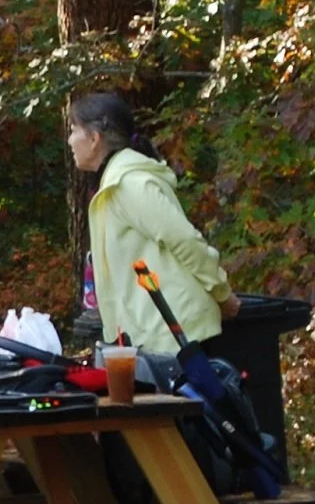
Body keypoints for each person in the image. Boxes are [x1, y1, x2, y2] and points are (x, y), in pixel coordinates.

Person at [68, 91, 239, 354]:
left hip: (180, 337)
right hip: (157, 338)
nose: (69, 141)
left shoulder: (129, 184)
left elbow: (185, 241)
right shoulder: (115, 182)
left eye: (73, 130)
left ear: (94, 138)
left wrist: (222, 295)